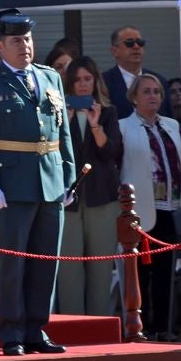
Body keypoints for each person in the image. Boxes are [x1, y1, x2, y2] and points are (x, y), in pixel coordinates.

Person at [0, 10, 77, 357]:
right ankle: (12, 333)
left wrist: (68, 174)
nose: (24, 46)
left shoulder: (49, 77)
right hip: (10, 184)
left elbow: (62, 132)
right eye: (16, 41)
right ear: (0, 45)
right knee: (14, 263)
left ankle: (36, 329)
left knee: (46, 261)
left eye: (27, 39)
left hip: (50, 180)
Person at [119, 73, 181, 340]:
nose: (153, 97)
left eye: (157, 92)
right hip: (139, 209)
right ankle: (141, 326)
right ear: (134, 97)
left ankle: (163, 326)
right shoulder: (124, 126)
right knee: (141, 272)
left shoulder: (171, 125)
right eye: (146, 92)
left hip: (168, 206)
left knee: (164, 271)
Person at [55, 57, 125, 318]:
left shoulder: (108, 111)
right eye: (77, 80)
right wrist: (66, 122)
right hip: (68, 200)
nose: (83, 85)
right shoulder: (59, 111)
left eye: (87, 79)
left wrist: (95, 124)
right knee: (69, 269)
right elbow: (55, 153)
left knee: (100, 267)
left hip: (102, 198)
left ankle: (99, 325)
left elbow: (112, 153)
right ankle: (73, 327)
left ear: (95, 80)